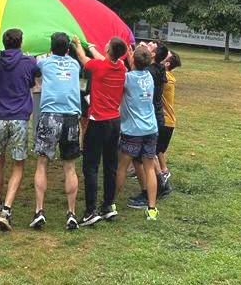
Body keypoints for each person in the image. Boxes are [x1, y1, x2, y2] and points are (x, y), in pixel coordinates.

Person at [71, 35, 128, 226]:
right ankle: (108, 206)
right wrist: (92, 47)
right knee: (110, 165)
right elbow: (103, 59)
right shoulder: (121, 67)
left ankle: (90, 211)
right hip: (115, 122)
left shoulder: (98, 67)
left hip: (98, 122)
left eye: (108, 44)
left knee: (91, 166)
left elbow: (83, 59)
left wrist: (78, 44)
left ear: (109, 50)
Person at [0, 28, 39, 231]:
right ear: (21, 42)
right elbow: (33, 79)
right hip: (19, 119)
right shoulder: (28, 62)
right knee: (18, 164)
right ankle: (7, 209)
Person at [30, 32, 82, 231]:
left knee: (42, 163)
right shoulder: (75, 65)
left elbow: (35, 67)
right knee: (70, 166)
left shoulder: (45, 63)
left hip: (50, 116)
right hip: (71, 117)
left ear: (51, 48)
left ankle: (39, 210)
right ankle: (71, 213)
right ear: (68, 49)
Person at [115, 45, 160, 221]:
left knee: (122, 167)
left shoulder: (127, 78)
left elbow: (127, 73)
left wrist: (128, 57)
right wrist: (131, 55)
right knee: (149, 168)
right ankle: (152, 208)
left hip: (132, 130)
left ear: (133, 60)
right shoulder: (149, 77)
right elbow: (139, 64)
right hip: (151, 128)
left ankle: (111, 203)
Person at [157, 51, 181, 184]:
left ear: (166, 64)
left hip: (166, 121)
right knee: (158, 149)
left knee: (158, 150)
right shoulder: (167, 75)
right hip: (167, 120)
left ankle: (164, 172)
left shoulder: (165, 77)